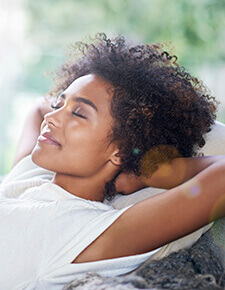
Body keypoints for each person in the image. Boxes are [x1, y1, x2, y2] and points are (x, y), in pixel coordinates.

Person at [0, 33, 224, 289]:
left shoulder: (83, 232)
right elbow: (39, 108)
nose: (52, 117)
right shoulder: (29, 180)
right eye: (58, 104)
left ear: (119, 152)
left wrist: (148, 171)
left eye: (79, 113)